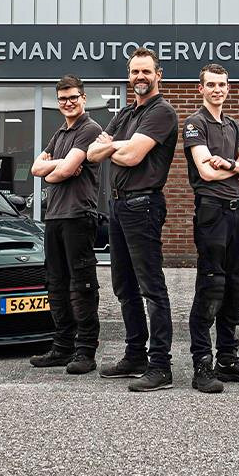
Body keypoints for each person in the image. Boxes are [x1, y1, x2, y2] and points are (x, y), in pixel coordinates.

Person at [87, 48, 180, 392]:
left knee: (151, 288)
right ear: (129, 76)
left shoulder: (162, 112)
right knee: (124, 286)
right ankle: (135, 355)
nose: (140, 77)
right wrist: (116, 147)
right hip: (118, 205)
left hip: (144, 205)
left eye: (146, 71)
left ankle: (161, 366)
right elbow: (92, 153)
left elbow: (132, 156)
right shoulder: (126, 113)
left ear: (158, 75)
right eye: (134, 71)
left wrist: (114, 147)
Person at [182, 63, 239, 393]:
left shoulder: (234, 126)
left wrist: (230, 163)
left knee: (236, 287)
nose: (217, 90)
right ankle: (202, 364)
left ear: (228, 88)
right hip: (211, 213)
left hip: (237, 213)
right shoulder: (195, 123)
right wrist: (238, 166)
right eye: (211, 84)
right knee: (212, 287)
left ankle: (228, 359)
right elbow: (206, 172)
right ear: (200, 88)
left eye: (222, 85)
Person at [28, 75, 104, 375]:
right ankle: (62, 348)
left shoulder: (90, 129)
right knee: (56, 283)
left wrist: (55, 169)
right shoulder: (60, 133)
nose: (68, 103)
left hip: (79, 216)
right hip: (55, 216)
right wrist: (56, 168)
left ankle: (85, 351)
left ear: (83, 98)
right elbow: (37, 168)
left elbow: (62, 171)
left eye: (73, 97)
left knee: (81, 284)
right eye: (63, 99)